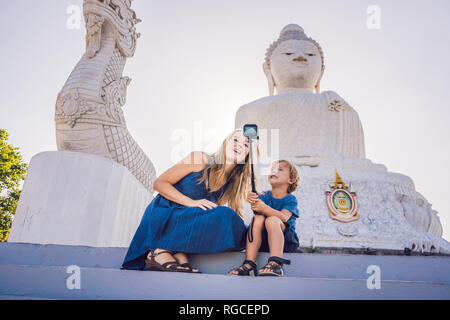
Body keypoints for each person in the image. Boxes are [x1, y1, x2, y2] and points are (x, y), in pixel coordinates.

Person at [122, 129, 256, 273]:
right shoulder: (200, 158)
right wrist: (191, 202)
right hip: (166, 212)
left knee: (240, 228)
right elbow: (159, 183)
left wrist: (258, 204)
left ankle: (177, 250)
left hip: (189, 218)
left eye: (246, 144)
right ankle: (160, 251)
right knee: (226, 215)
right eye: (235, 140)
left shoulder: (231, 183)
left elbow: (211, 217)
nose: (240, 145)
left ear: (247, 155)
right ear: (225, 143)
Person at [228, 159, 300, 277]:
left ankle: (275, 263)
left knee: (272, 219)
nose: (274, 171)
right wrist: (253, 199)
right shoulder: (265, 196)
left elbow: (284, 217)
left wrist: (265, 208)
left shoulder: (290, 199)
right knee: (258, 218)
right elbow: (257, 210)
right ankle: (250, 263)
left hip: (286, 242)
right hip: (264, 241)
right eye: (272, 169)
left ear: (290, 180)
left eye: (280, 169)